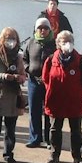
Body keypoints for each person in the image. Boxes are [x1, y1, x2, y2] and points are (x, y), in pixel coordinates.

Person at [41, 29, 82, 163]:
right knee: (55, 129)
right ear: (58, 44)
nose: (67, 44)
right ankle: (54, 155)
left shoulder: (80, 60)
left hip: (74, 101)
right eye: (64, 42)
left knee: (76, 130)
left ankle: (77, 156)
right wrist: (52, 90)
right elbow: (45, 79)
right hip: (56, 100)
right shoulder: (51, 59)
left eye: (70, 42)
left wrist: (77, 92)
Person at [0, 27, 25, 163]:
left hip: (13, 96)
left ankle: (8, 153)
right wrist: (5, 76)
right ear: (2, 40)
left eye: (14, 38)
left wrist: (20, 78)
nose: (11, 42)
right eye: (8, 38)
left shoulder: (19, 57)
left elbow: (23, 74)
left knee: (10, 129)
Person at [22, 17, 54, 147]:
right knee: (34, 110)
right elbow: (24, 59)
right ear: (36, 29)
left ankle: (48, 139)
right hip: (33, 81)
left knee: (48, 111)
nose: (43, 30)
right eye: (40, 28)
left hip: (49, 83)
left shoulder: (54, 43)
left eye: (46, 28)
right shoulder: (31, 42)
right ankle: (35, 138)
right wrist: (28, 69)